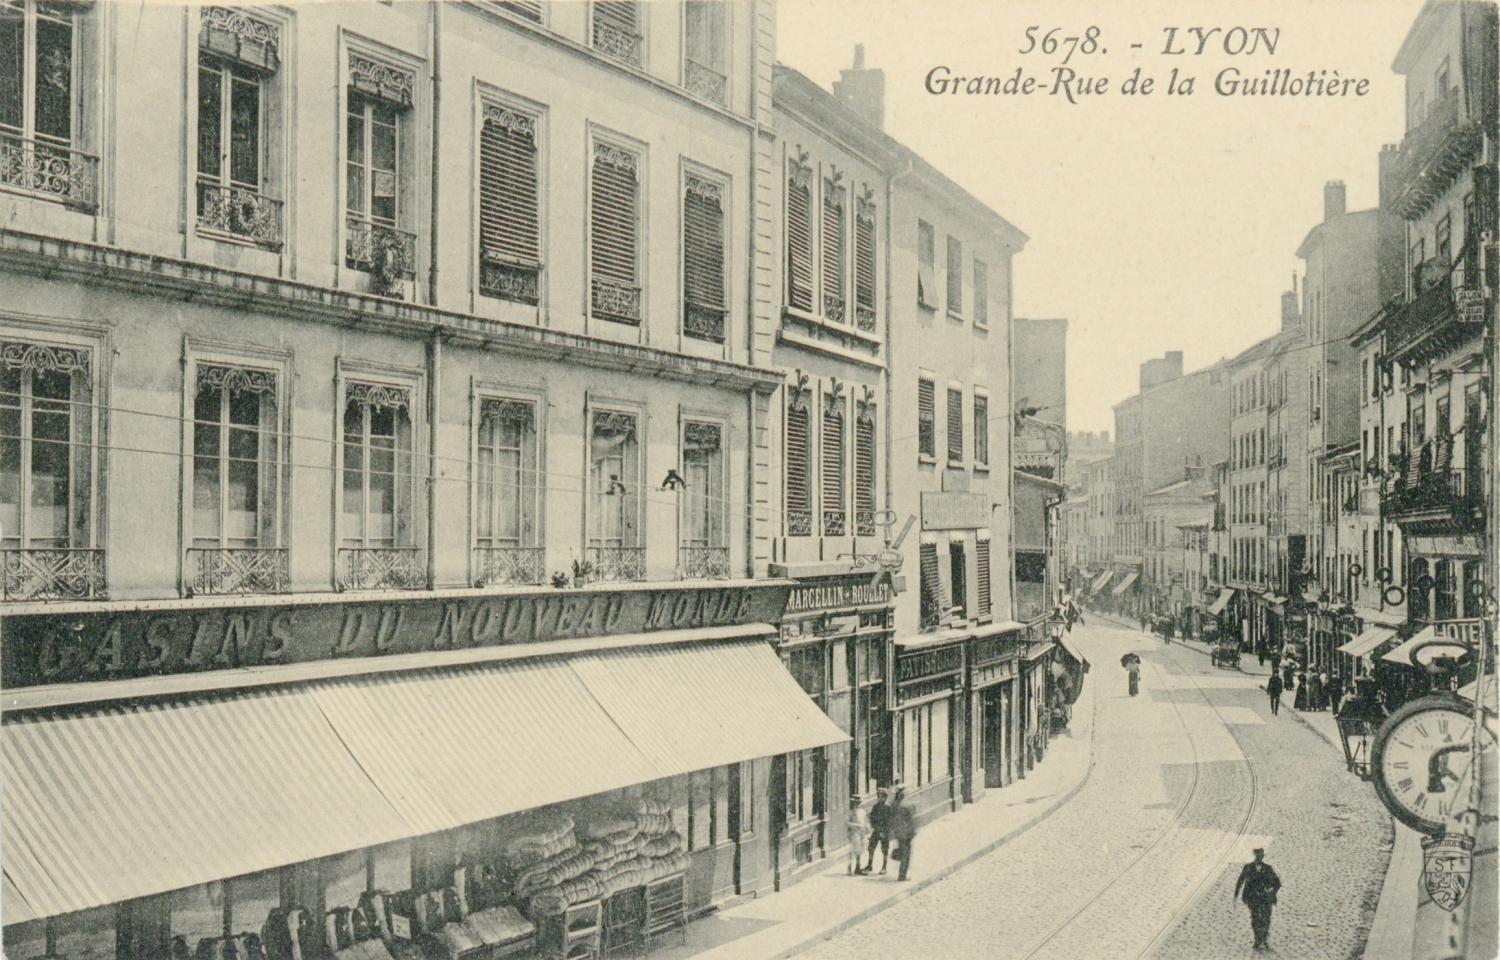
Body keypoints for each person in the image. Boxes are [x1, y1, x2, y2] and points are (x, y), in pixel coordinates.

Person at [1233, 847, 1281, 950]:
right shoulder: (1248, 867)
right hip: (1252, 898)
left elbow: (1277, 882)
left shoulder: (1268, 868)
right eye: (1258, 855)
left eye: (1261, 855)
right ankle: (1257, 939)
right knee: (1255, 919)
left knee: (1266, 919)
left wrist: (1271, 891)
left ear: (1263, 856)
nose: (1259, 857)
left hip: (1265, 898)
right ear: (1255, 856)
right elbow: (1240, 880)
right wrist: (1236, 894)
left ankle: (1264, 939)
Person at [890, 786, 917, 881]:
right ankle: (902, 876)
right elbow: (910, 821)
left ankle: (902, 874)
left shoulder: (894, 804)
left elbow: (892, 820)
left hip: (898, 833)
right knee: (906, 854)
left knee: (902, 852)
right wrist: (912, 833)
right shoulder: (906, 806)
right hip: (906, 833)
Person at [864, 788, 891, 874]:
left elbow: (890, 820)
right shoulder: (876, 806)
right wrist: (873, 826)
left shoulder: (888, 807)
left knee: (885, 850)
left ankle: (884, 867)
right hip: (876, 830)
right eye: (879, 796)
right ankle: (870, 865)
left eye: (882, 796)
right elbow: (872, 817)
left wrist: (884, 831)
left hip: (885, 832)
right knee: (871, 848)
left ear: (886, 797)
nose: (880, 798)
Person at [846, 795, 870, 875]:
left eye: (858, 803)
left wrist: (868, 831)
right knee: (853, 850)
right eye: (855, 803)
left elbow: (866, 821)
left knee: (859, 850)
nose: (857, 805)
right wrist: (854, 826)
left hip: (862, 832)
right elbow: (847, 823)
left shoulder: (862, 811)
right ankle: (849, 868)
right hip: (854, 832)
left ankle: (857, 867)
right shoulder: (850, 812)